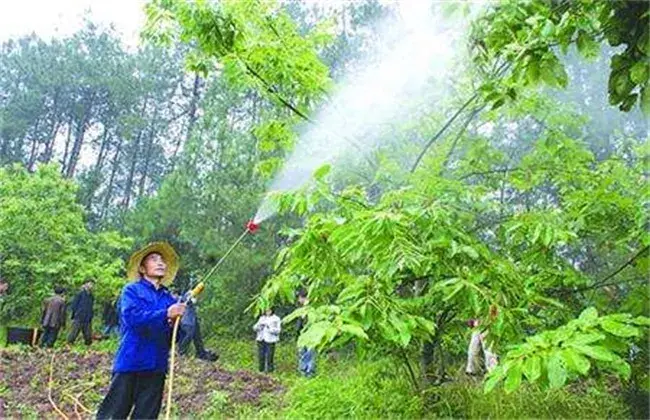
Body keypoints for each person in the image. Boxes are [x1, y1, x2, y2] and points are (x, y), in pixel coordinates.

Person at [96, 242, 186, 420]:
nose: (160, 263)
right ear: (143, 268)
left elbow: (175, 336)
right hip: (131, 361)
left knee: (146, 416)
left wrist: (177, 321)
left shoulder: (169, 298)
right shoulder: (132, 290)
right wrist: (165, 314)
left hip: (156, 366)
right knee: (114, 414)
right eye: (154, 259)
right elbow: (132, 318)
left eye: (162, 260)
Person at [178, 291, 218, 361]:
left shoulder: (192, 312)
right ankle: (182, 354)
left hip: (189, 318)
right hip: (186, 320)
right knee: (189, 332)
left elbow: (197, 336)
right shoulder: (184, 303)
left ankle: (201, 353)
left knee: (195, 332)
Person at [253, 307, 281, 373]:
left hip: (270, 340)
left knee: (269, 356)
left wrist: (269, 328)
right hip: (261, 338)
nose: (267, 312)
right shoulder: (262, 318)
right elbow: (254, 327)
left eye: (269, 310)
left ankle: (270, 370)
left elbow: (278, 330)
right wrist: (259, 326)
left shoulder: (276, 319)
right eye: (266, 310)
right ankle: (261, 370)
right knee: (261, 355)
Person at [67, 280, 95, 345]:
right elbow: (74, 304)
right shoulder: (80, 294)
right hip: (79, 316)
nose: (91, 286)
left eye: (92, 285)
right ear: (85, 284)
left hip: (87, 317)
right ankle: (69, 343)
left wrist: (91, 315)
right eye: (90, 284)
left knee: (88, 333)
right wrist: (75, 314)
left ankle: (88, 345)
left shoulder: (91, 296)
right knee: (74, 331)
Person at [296, 291, 316, 377]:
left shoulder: (311, 308)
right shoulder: (301, 309)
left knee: (309, 353)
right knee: (302, 352)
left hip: (311, 334)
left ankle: (309, 372)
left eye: (299, 298)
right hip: (302, 334)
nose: (298, 300)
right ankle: (303, 371)